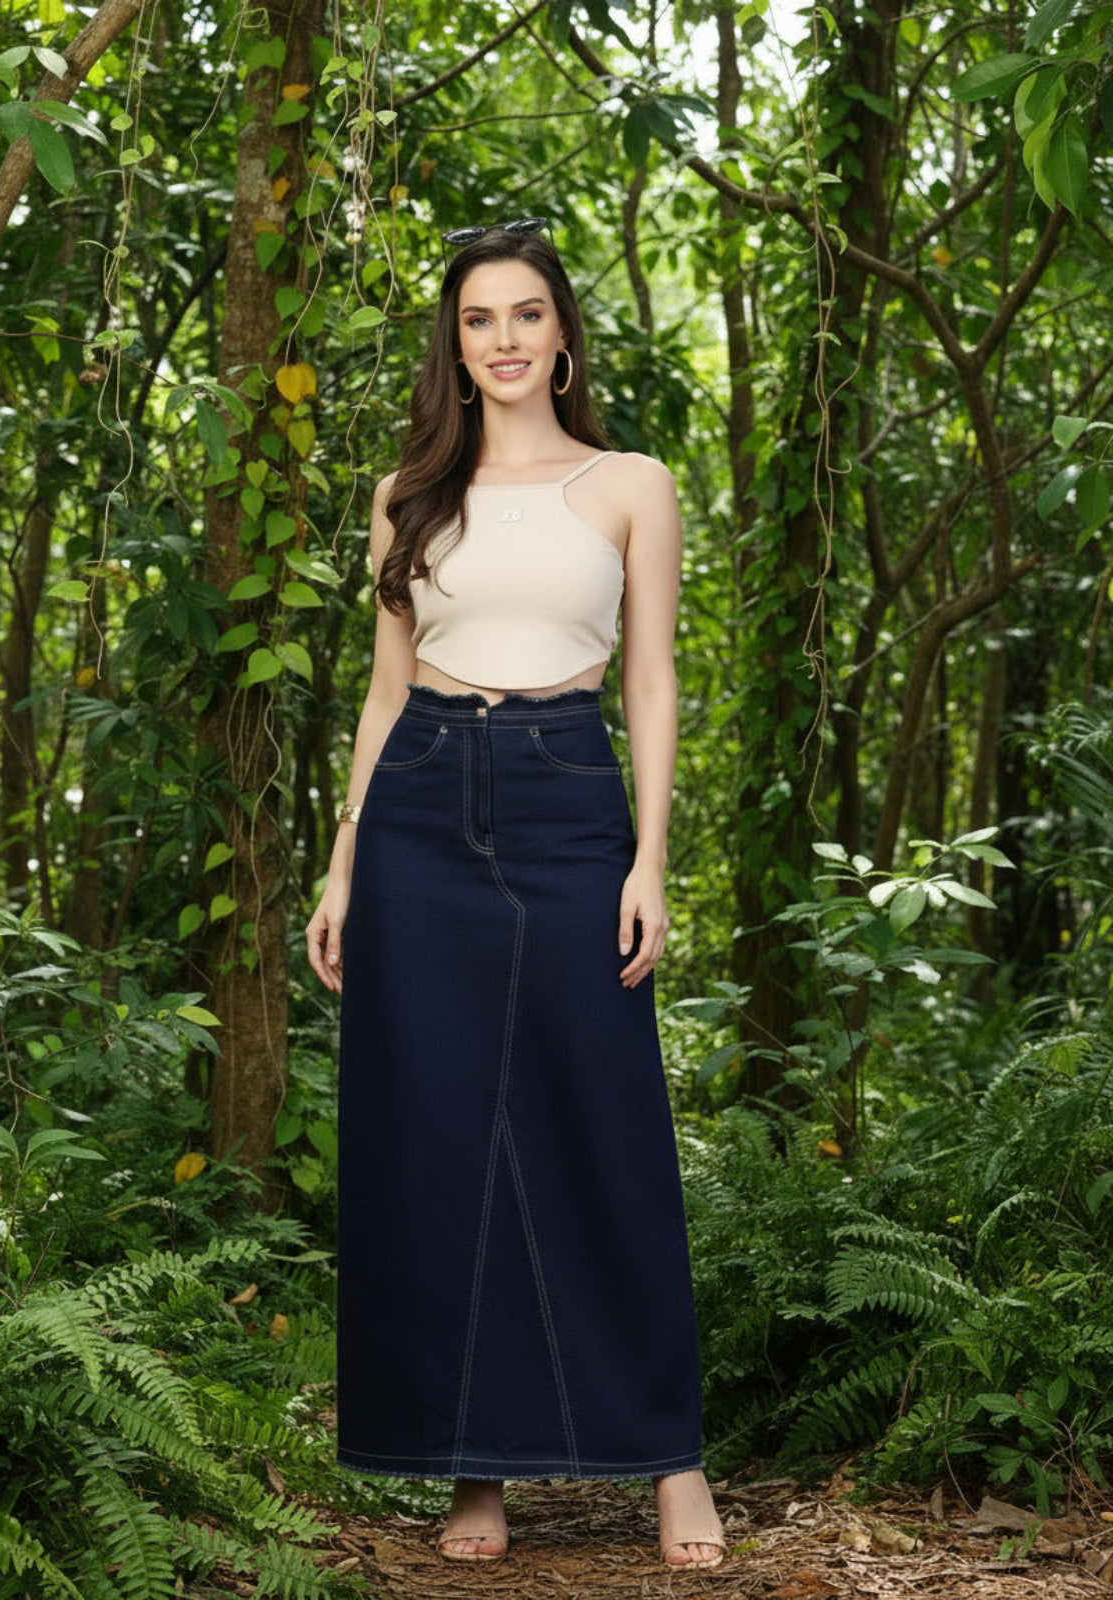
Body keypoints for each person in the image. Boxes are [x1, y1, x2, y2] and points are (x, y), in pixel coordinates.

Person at [305, 219, 726, 1571]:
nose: (503, 339)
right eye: (479, 318)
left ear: (561, 334)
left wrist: (649, 858)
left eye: (526, 314)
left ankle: (669, 1458)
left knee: (605, 1117)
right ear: (456, 341)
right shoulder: (408, 495)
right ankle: (470, 1463)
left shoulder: (630, 484)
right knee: (433, 1136)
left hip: (565, 793)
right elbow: (384, 692)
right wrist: (345, 862)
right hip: (420, 803)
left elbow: (651, 677)